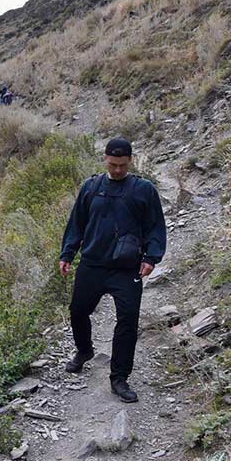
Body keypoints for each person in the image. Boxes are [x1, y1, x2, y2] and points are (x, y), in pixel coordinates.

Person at [58, 138, 166, 403]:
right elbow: (77, 224)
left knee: (128, 322)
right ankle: (84, 351)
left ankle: (119, 378)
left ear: (130, 161)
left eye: (122, 165)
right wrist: (67, 253)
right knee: (78, 311)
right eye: (113, 164)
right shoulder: (91, 187)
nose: (117, 170)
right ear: (105, 159)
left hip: (126, 268)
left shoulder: (143, 190)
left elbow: (155, 227)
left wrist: (151, 257)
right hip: (92, 263)